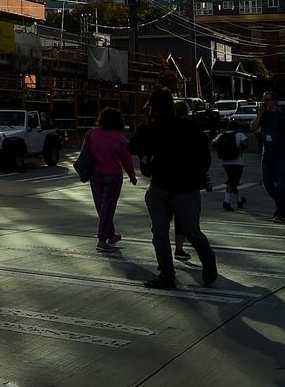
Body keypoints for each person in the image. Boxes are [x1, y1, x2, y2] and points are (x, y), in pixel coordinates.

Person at [128, 90, 217, 290]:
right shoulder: (156, 128)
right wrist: (144, 125)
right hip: (165, 188)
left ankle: (202, 262)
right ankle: (169, 273)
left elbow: (204, 159)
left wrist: (194, 177)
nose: (155, 111)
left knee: (183, 232)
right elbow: (132, 147)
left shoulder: (186, 128)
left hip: (178, 188)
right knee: (169, 231)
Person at [84, 108, 137, 253]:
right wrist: (132, 176)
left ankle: (111, 235)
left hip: (95, 175)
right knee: (108, 207)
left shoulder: (92, 134)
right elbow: (126, 160)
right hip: (112, 176)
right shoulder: (119, 138)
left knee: (102, 207)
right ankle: (102, 240)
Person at [249, 91, 285, 223]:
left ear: (274, 101)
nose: (265, 102)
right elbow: (252, 128)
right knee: (267, 183)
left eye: (268, 100)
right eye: (264, 100)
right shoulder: (264, 115)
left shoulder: (282, 117)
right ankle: (280, 206)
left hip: (281, 155)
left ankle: (282, 214)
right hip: (267, 155)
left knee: (282, 185)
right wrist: (259, 115)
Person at [214, 127, 248, 211]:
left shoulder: (221, 135)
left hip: (225, 162)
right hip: (237, 162)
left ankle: (239, 201)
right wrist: (240, 151)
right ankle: (226, 202)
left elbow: (213, 143)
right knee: (232, 182)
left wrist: (221, 150)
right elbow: (245, 144)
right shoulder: (240, 135)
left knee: (233, 181)